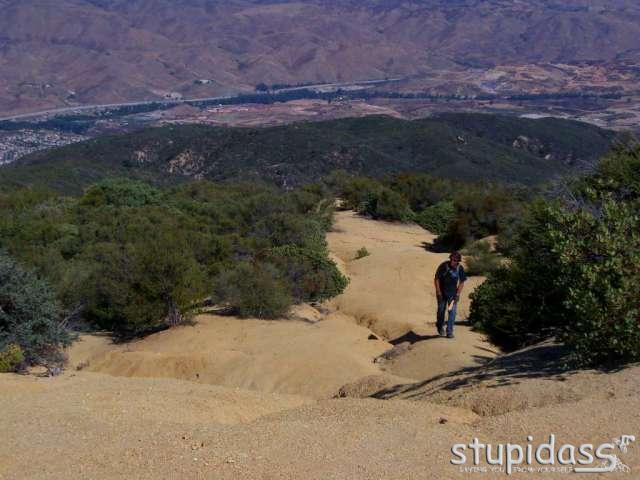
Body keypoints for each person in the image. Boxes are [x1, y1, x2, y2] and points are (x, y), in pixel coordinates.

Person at [434, 251, 466, 338]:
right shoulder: (444, 266)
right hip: (442, 294)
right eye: (452, 259)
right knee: (441, 311)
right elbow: (436, 279)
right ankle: (440, 326)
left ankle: (449, 331)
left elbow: (462, 282)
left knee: (452, 312)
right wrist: (438, 292)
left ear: (458, 261)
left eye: (455, 260)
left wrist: (458, 294)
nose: (453, 261)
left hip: (452, 295)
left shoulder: (460, 268)